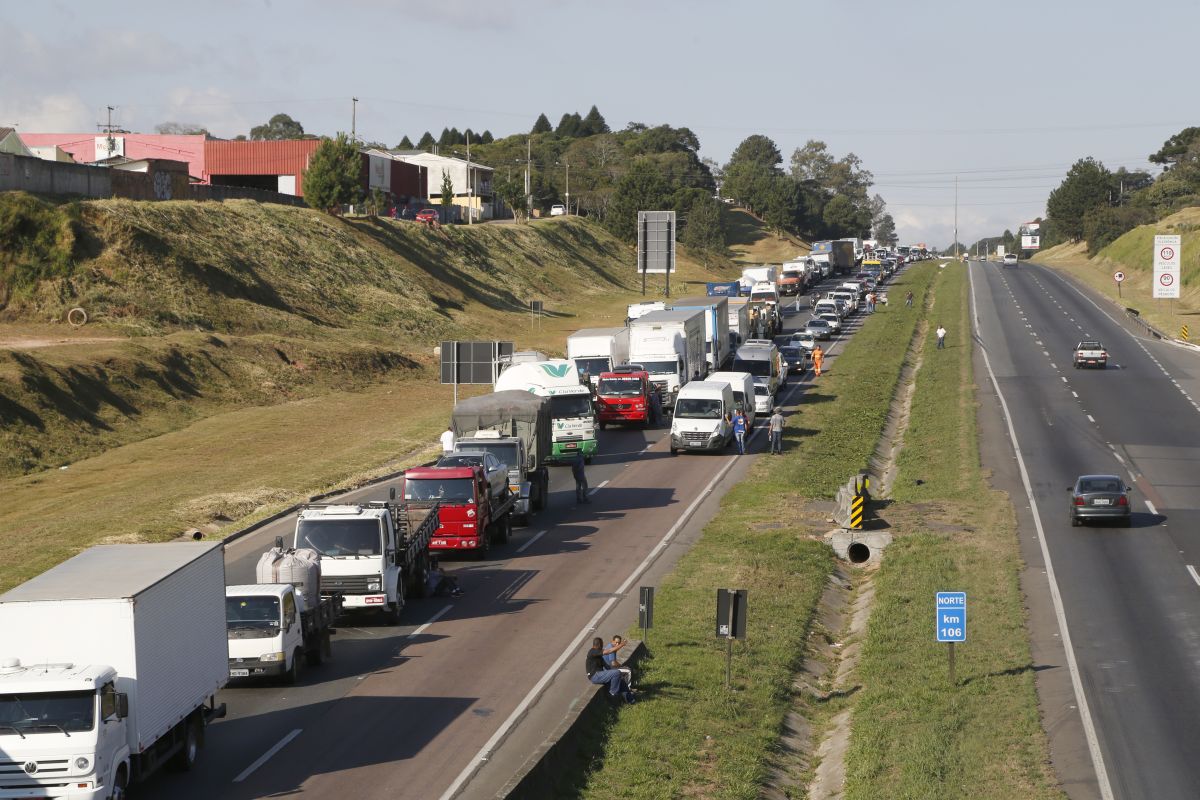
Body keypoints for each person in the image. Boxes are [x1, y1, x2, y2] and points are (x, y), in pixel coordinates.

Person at [585, 637, 635, 703]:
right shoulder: (592, 651)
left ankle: (631, 700)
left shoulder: (599, 656)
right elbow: (608, 651)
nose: (603, 647)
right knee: (616, 673)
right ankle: (613, 693)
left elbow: (608, 667)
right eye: (602, 645)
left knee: (621, 680)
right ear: (599, 644)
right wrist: (622, 644)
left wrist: (621, 673)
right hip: (595, 676)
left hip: (600, 675)